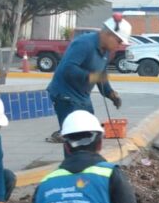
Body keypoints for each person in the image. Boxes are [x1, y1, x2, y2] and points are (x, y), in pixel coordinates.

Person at [46, 13, 129, 141]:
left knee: (90, 130)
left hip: (82, 96)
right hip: (65, 94)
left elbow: (100, 75)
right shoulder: (84, 43)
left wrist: (110, 94)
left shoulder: (106, 51)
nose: (119, 45)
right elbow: (68, 69)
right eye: (118, 41)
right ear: (108, 34)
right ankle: (66, 139)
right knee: (77, 134)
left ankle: (63, 134)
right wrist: (91, 76)